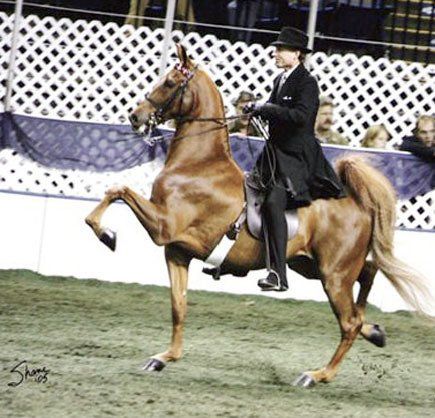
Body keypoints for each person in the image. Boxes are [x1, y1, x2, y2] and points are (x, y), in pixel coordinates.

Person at [245, 27, 346, 291]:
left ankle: (277, 275)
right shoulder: (279, 80)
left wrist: (268, 108)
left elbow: (300, 117)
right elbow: (274, 111)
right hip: (274, 154)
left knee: (272, 203)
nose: (276, 53)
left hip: (296, 159)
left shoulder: (307, 83)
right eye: (276, 49)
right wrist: (256, 109)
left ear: (297, 54)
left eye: (281, 49)